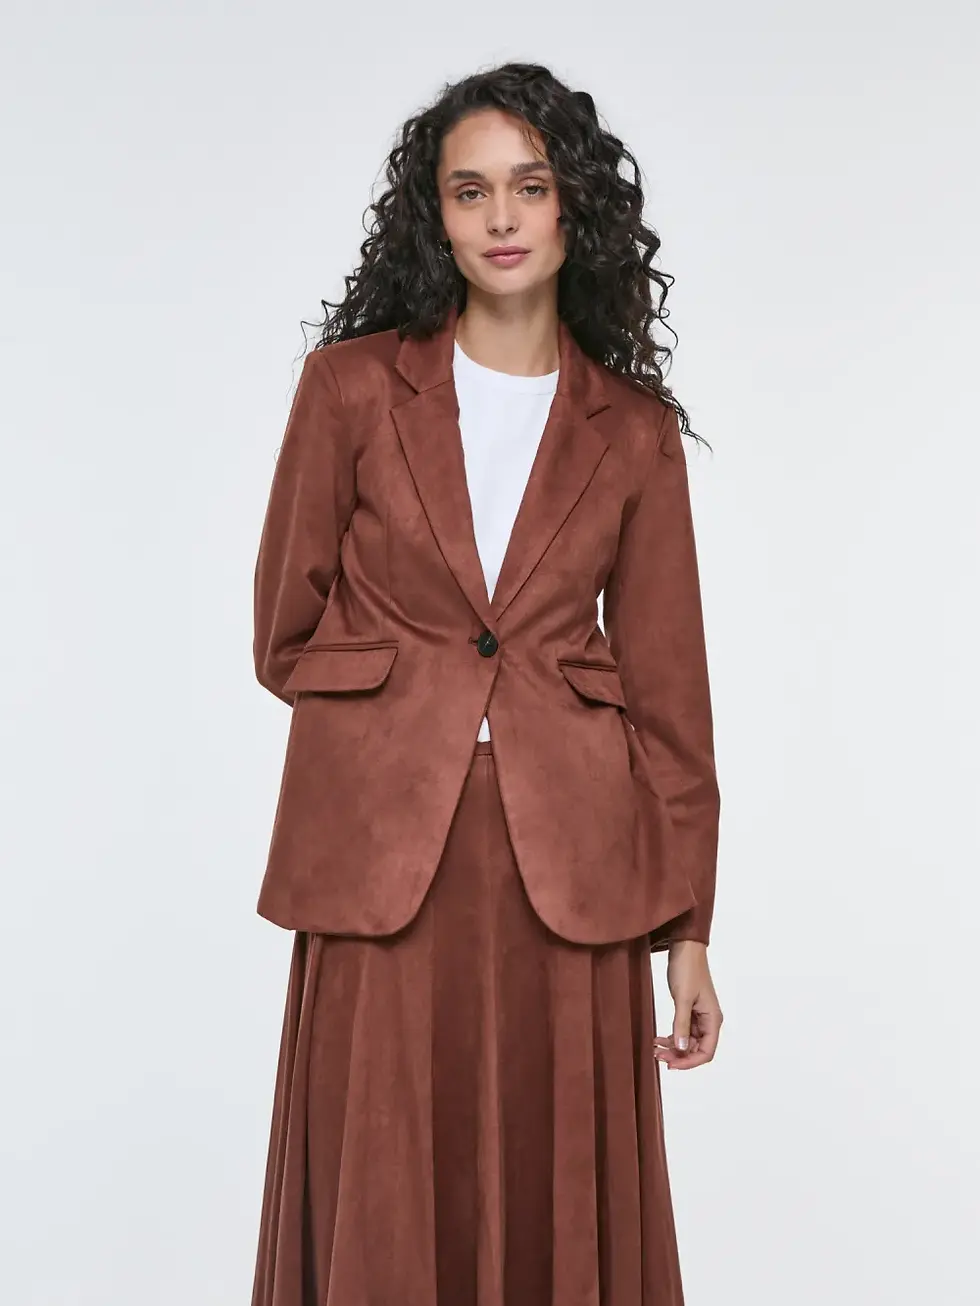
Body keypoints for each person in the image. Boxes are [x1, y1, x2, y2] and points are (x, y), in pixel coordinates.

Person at [249, 60, 723, 1306]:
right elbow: (284, 632)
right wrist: (413, 712)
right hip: (381, 856)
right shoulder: (350, 389)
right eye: (470, 192)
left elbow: (670, 700)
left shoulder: (633, 432)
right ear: (437, 216)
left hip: (569, 863)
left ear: (574, 207)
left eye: (528, 186)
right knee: (381, 1172)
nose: (501, 218)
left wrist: (688, 934)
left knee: (549, 1177)